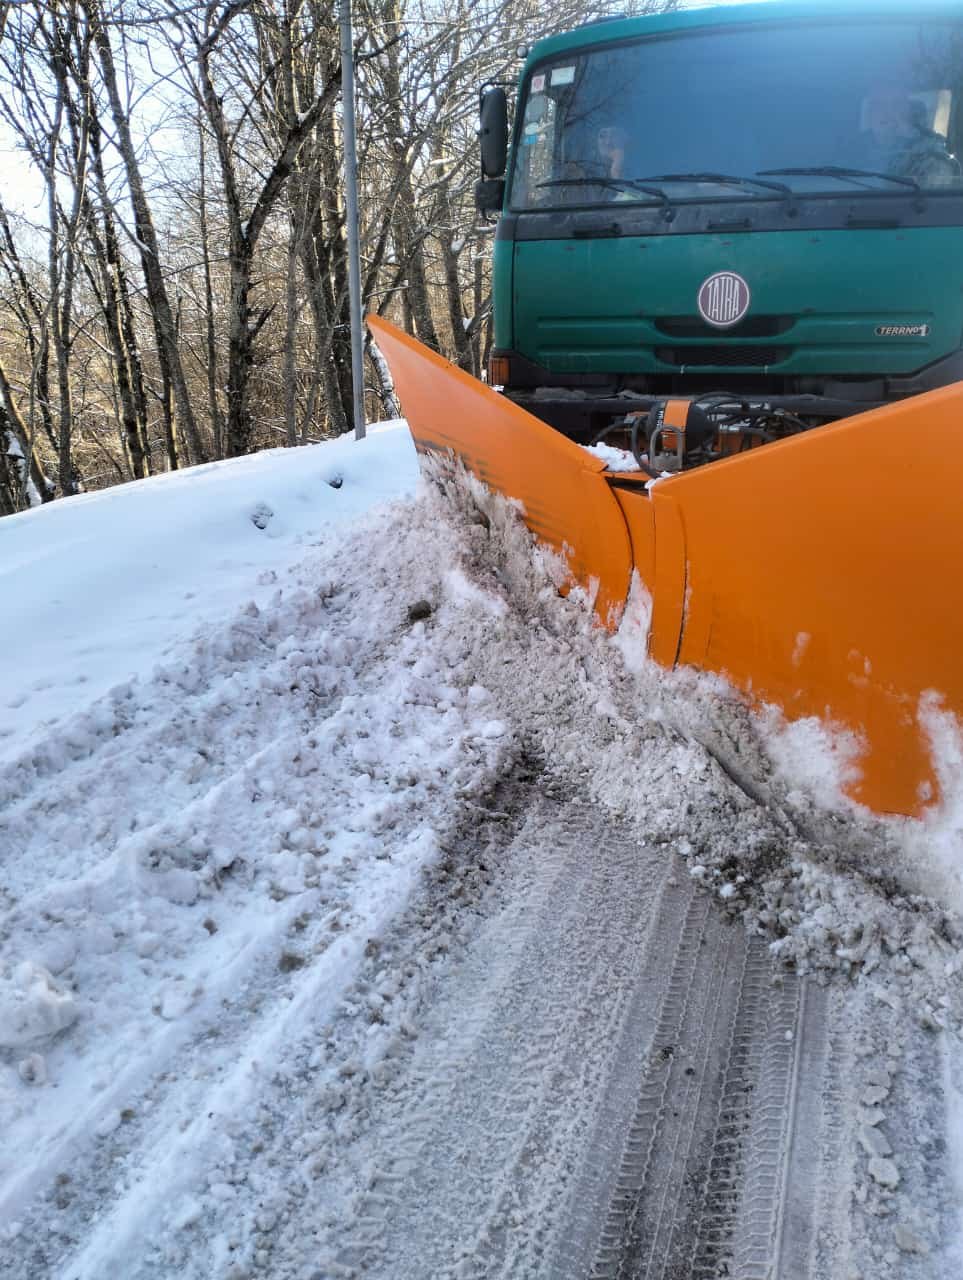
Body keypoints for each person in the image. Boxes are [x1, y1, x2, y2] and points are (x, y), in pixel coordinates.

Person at [862, 85, 960, 187]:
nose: (888, 112)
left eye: (896, 105)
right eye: (879, 105)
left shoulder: (929, 148)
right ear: (870, 114)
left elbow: (940, 183)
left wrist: (910, 138)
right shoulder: (852, 147)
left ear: (908, 113)